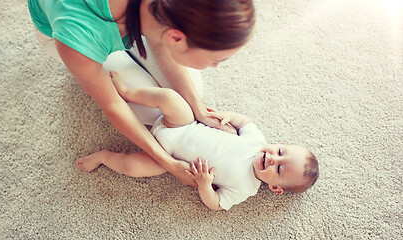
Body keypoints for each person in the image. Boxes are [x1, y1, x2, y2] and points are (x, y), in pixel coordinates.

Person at [28, 0, 255, 187]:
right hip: (74, 34)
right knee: (152, 113)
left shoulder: (165, 15)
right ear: (175, 38)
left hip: (129, 20)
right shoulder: (77, 35)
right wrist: (168, 163)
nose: (215, 66)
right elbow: (114, 105)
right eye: (215, 60)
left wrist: (198, 108)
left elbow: (159, 40)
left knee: (187, 95)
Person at [76, 71, 320, 211]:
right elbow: (245, 122)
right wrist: (228, 117)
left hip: (170, 160)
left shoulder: (246, 188)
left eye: (278, 168)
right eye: (280, 150)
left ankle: (104, 157)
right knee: (170, 98)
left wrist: (205, 185)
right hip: (183, 124)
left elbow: (215, 205)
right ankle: (128, 92)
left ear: (275, 188)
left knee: (134, 167)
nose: (272, 157)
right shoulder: (256, 140)